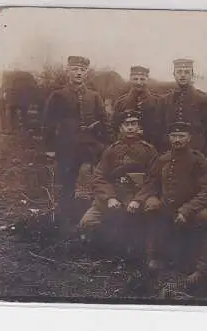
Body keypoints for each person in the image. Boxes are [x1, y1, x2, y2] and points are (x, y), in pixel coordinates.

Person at [133, 121, 207, 288]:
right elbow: (151, 184)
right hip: (167, 205)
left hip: (192, 207)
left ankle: (201, 269)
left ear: (189, 138)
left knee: (206, 218)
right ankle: (155, 257)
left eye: (181, 136)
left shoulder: (199, 160)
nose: (177, 139)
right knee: (151, 207)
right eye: (174, 136)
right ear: (169, 138)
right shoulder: (162, 159)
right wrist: (139, 199)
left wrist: (186, 210)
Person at [78, 109, 158, 262]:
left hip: (136, 196)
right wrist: (109, 198)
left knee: (150, 212)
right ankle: (103, 254)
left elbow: (153, 180)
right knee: (87, 222)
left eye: (133, 124)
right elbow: (99, 177)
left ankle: (146, 254)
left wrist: (138, 200)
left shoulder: (149, 150)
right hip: (114, 196)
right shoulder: (111, 150)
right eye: (126, 124)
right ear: (121, 127)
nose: (130, 128)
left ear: (139, 127)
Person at [42, 55, 108, 226]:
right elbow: (49, 122)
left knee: (92, 180)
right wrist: (50, 147)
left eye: (82, 70)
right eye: (75, 69)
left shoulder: (94, 96)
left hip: (90, 146)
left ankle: (90, 215)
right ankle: (65, 218)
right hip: (67, 146)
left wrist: (105, 144)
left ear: (86, 73)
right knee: (67, 182)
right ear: (68, 71)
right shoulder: (58, 95)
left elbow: (104, 121)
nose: (79, 73)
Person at [159, 59, 207, 163]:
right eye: (179, 72)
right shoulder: (165, 100)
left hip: (196, 152)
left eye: (186, 72)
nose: (183, 75)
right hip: (170, 152)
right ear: (174, 74)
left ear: (192, 75)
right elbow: (161, 127)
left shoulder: (202, 99)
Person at [112, 66, 164, 150]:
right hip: (127, 148)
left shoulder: (158, 102)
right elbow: (115, 127)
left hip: (153, 147)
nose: (139, 82)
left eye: (142, 79)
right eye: (135, 79)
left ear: (147, 79)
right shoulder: (121, 103)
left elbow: (161, 127)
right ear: (130, 79)